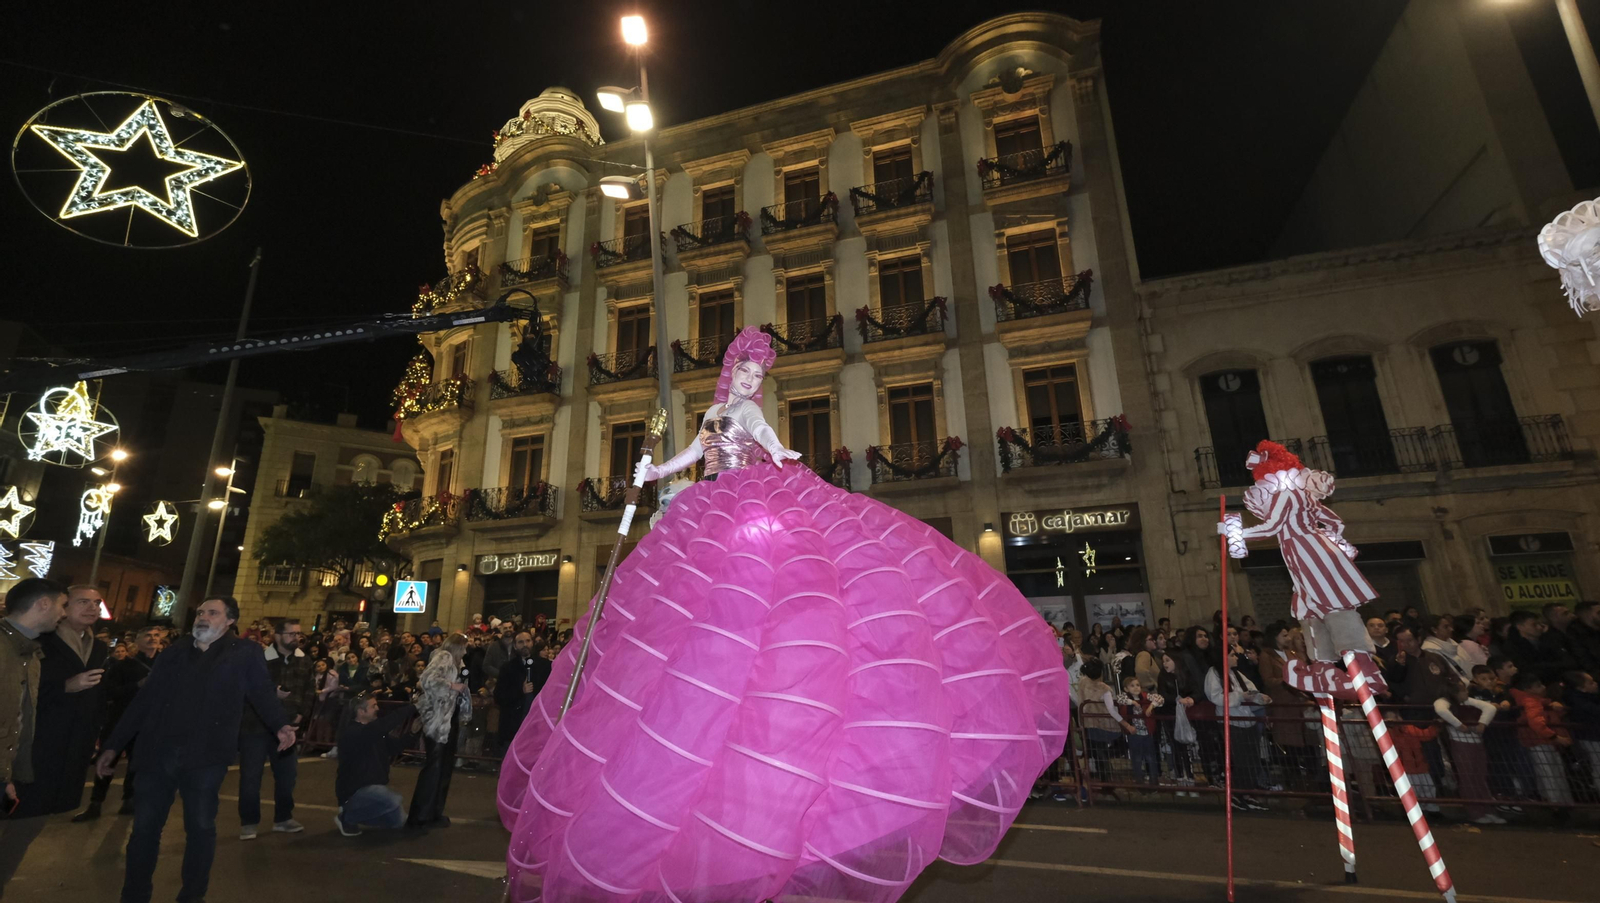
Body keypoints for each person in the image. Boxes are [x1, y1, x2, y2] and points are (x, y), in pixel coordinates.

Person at [496, 327, 1070, 902]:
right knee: (679, 624)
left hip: (745, 502)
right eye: (743, 373)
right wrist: (655, 474)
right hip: (707, 509)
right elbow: (696, 454)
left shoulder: (747, 415)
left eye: (756, 378)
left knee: (762, 600)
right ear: (729, 372)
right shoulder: (715, 411)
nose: (748, 383)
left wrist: (777, 450)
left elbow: (765, 433)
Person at [96, 596, 296, 903]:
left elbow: (261, 692)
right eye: (200, 611)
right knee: (144, 830)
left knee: (201, 828)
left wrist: (280, 725)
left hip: (206, 756)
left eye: (212, 613)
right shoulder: (173, 652)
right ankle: (134, 895)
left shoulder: (245, 652)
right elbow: (145, 700)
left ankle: (192, 895)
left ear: (229, 620)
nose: (202, 617)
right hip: (158, 753)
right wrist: (113, 745)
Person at [14, 584, 109, 819]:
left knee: (46, 815)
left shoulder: (98, 647)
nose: (92, 608)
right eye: (83, 602)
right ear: (64, 607)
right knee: (22, 810)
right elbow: (20, 690)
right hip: (39, 740)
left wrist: (94, 736)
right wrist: (65, 687)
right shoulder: (40, 641)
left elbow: (100, 696)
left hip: (75, 744)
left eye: (97, 603)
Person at [0, 578, 67, 895]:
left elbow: (18, 721)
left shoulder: (30, 655)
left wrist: (10, 774)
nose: (63, 614)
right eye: (62, 605)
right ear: (43, 603)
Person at [237, 617, 314, 840]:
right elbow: (249, 687)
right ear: (278, 636)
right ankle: (249, 822)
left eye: (299, 634)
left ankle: (283, 818)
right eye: (291, 634)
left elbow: (310, 689)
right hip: (256, 726)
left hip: (288, 726)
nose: (296, 638)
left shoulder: (304, 660)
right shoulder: (261, 658)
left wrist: (302, 712)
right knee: (251, 777)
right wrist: (272, 691)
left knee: (287, 777)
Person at [79, 624, 163, 821]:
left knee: (138, 762)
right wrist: (137, 685)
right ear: (138, 641)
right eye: (148, 635)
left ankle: (129, 800)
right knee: (107, 759)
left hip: (148, 723)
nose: (152, 638)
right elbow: (110, 692)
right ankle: (96, 803)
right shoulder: (123, 665)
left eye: (156, 635)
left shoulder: (165, 666)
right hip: (120, 720)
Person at [408, 632, 471, 828]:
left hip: (448, 718)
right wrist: (452, 686)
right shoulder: (443, 657)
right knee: (434, 767)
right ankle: (422, 814)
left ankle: (434, 811)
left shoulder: (457, 664)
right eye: (464, 647)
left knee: (444, 767)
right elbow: (427, 680)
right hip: (437, 718)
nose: (466, 651)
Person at [334, 692, 417, 835]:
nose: (377, 708)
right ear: (361, 712)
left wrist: (412, 734)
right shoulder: (353, 733)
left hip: (373, 788)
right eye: (373, 706)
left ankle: (353, 816)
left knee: (398, 821)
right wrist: (412, 707)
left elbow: (394, 747)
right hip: (355, 791)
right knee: (392, 800)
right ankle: (347, 817)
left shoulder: (372, 731)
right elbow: (385, 724)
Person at [1508, 672, 1573, 805]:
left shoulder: (1533, 700)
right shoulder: (1531, 702)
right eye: (1538, 686)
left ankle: (1558, 803)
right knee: (1551, 774)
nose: (1543, 687)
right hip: (1541, 742)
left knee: (1550, 773)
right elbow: (1536, 723)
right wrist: (1556, 737)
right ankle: (1557, 804)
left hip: (1542, 741)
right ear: (1528, 689)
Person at [493, 632, 547, 750]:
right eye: (521, 642)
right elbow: (499, 696)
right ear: (515, 646)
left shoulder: (545, 666)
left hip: (537, 724)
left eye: (528, 641)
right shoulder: (507, 668)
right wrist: (520, 691)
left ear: (532, 643)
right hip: (514, 723)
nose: (525, 645)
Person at [1116, 674, 1162, 785]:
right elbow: (1119, 698)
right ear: (1126, 689)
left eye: (1137, 685)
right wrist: (1132, 702)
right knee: (1136, 757)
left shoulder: (1145, 696)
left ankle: (1153, 779)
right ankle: (1139, 780)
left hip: (1147, 732)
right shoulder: (1125, 698)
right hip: (1134, 733)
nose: (1136, 687)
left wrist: (1151, 706)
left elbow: (1160, 698)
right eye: (1132, 686)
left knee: (1150, 757)